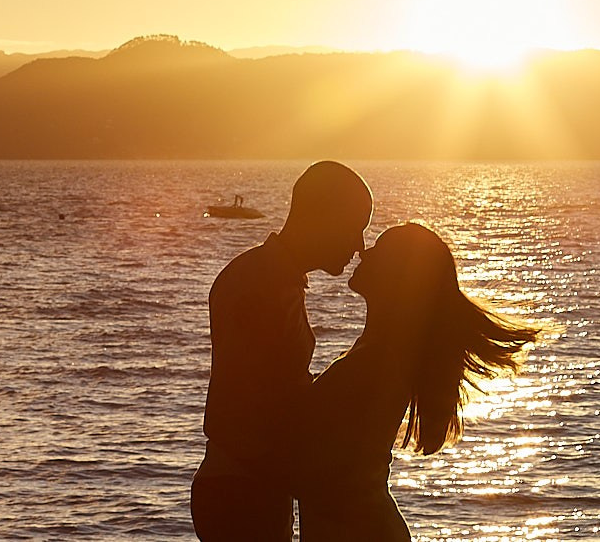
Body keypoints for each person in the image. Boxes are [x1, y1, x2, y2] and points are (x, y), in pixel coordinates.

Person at [295, 223, 539, 541]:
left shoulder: (376, 362)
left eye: (379, 250)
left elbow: (320, 463)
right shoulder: (378, 352)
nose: (363, 252)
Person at [192, 161, 373, 542]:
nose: (359, 246)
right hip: (242, 492)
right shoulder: (265, 285)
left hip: (246, 486)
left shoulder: (267, 277)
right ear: (324, 217)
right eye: (356, 229)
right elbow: (257, 407)